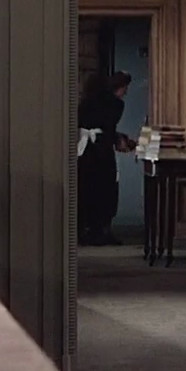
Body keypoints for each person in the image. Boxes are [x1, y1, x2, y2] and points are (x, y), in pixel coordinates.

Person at [77, 71, 134, 246]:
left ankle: (85, 230)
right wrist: (121, 140)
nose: (126, 92)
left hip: (85, 150)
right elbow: (107, 128)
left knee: (87, 190)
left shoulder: (84, 103)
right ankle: (101, 231)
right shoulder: (115, 104)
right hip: (101, 150)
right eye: (125, 88)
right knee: (106, 190)